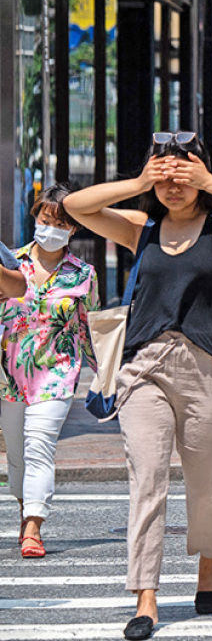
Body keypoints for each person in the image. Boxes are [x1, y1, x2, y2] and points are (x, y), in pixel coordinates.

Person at [63, 131, 212, 639]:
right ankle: (146, 596)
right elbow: (75, 205)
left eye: (181, 176)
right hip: (145, 368)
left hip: (207, 369)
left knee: (204, 485)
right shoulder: (142, 227)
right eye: (165, 175)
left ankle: (207, 568)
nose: (173, 186)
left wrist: (206, 178)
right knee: (147, 479)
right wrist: (139, 180)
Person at [0, 183, 95, 560]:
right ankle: (26, 509)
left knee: (40, 446)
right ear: (35, 218)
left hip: (57, 371)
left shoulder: (82, 273)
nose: (50, 227)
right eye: (44, 219)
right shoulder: (11, 263)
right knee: (17, 455)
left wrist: (105, 375)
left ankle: (34, 526)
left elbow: (92, 326)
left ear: (73, 228)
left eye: (59, 223)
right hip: (9, 373)